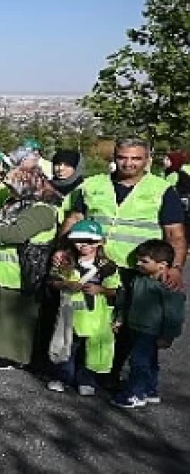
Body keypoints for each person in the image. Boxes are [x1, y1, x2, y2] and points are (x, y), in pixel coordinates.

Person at [60, 138, 186, 383]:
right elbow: (74, 219)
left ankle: (116, 374)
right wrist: (62, 248)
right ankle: (90, 371)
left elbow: (175, 234)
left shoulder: (161, 190)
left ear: (147, 160)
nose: (128, 163)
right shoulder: (93, 185)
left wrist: (176, 268)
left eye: (136, 158)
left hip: (136, 270)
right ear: (114, 158)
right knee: (94, 321)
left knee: (131, 325)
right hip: (96, 266)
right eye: (123, 157)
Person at [0, 166, 60, 370]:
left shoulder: (42, 210)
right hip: (0, 266)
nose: (10, 191)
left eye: (14, 186)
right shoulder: (15, 204)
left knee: (14, 316)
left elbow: (17, 233)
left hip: (21, 271)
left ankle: (10, 356)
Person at [46, 219, 119, 397]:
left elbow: (116, 291)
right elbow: (52, 282)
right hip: (70, 315)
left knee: (93, 351)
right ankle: (63, 377)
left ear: (99, 242)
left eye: (90, 241)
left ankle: (86, 380)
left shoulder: (108, 267)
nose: (83, 245)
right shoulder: (65, 261)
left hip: (96, 318)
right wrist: (65, 284)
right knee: (67, 347)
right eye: (79, 240)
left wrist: (100, 289)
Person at [111, 239, 184, 408]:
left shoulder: (167, 286)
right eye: (137, 260)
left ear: (162, 265)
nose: (138, 264)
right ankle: (149, 389)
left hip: (151, 331)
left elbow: (174, 314)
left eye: (144, 261)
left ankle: (135, 394)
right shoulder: (138, 279)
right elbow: (127, 301)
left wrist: (168, 336)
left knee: (138, 362)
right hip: (136, 327)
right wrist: (121, 318)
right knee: (149, 361)